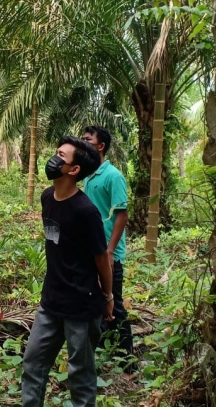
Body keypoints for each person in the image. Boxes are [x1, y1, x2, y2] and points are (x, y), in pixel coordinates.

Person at [22, 136, 114, 407]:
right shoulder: (47, 197)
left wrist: (107, 298)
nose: (54, 159)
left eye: (62, 156)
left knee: (80, 374)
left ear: (74, 170)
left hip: (82, 305)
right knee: (33, 364)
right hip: (51, 301)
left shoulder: (86, 211)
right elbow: (56, 240)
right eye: (56, 152)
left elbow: (102, 258)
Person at [82, 125, 135, 378]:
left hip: (109, 254)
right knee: (96, 303)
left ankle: (129, 365)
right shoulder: (89, 176)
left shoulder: (113, 176)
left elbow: (122, 215)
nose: (83, 143)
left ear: (100, 146)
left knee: (114, 304)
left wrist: (111, 252)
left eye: (87, 140)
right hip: (91, 251)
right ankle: (106, 353)